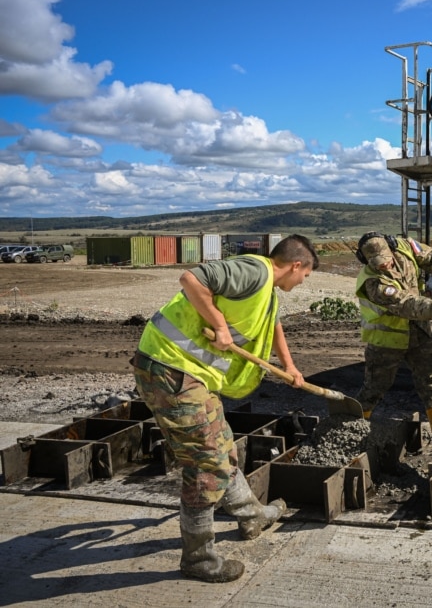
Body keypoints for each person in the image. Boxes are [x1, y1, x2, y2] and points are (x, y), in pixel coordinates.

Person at [131, 234, 319, 583]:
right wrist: (219, 326)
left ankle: (252, 515)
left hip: (189, 376)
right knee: (206, 464)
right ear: (296, 265)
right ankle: (199, 559)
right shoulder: (255, 272)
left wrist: (290, 367)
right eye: (305, 275)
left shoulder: (267, 294)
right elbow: (191, 279)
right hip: (172, 370)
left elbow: (273, 325)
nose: (302, 282)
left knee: (221, 446)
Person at [354, 232, 432, 442]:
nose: (384, 266)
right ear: (365, 260)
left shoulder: (406, 247)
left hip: (418, 333)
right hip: (387, 342)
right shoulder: (373, 283)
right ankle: (351, 430)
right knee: (374, 387)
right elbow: (407, 304)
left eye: (386, 260)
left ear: (392, 248)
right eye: (377, 263)